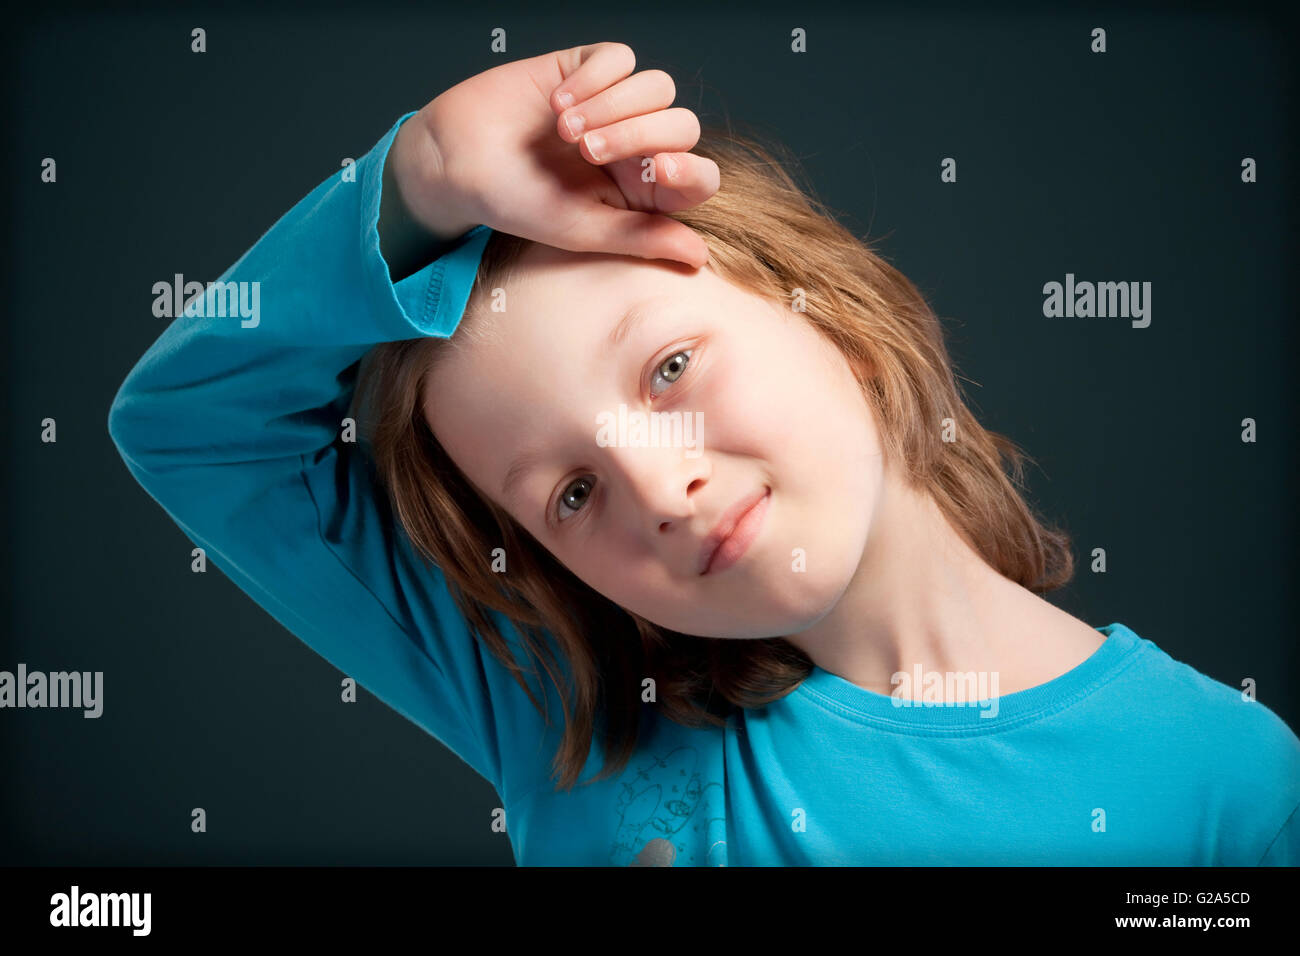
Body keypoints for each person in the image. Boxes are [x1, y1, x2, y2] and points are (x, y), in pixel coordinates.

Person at [109, 41, 1300, 866]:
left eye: (668, 369)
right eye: (571, 491)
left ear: (827, 308)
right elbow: (189, 426)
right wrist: (413, 183)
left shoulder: (1224, 780)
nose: (659, 486)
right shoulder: (569, 711)